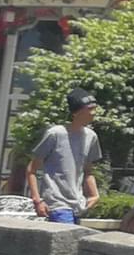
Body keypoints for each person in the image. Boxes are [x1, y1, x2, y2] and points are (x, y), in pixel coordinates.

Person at [28, 90, 103, 223]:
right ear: (76, 112)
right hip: (57, 204)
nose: (94, 113)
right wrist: (37, 200)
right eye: (90, 109)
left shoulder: (91, 137)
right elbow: (31, 170)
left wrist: (94, 195)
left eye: (95, 108)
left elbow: (88, 171)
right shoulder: (55, 134)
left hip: (79, 205)